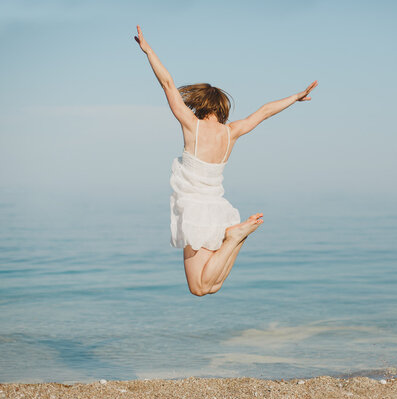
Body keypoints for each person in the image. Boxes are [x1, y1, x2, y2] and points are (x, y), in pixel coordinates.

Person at [134, 25, 318, 297]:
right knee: (212, 286)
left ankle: (235, 237)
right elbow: (265, 112)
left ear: (201, 104)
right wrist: (295, 97)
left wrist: (148, 51)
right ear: (222, 109)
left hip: (196, 210)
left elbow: (168, 83)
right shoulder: (231, 132)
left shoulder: (192, 125)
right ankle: (237, 238)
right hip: (219, 209)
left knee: (200, 288)